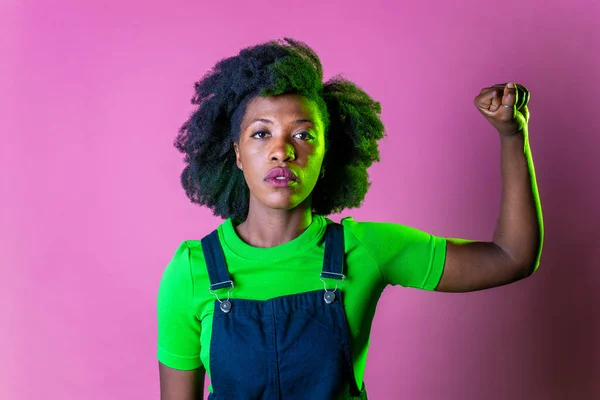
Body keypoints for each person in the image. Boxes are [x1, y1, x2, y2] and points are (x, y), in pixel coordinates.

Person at [156, 38, 543, 400]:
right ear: (237, 154)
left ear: (326, 154)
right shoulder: (191, 271)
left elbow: (512, 257)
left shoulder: (365, 249)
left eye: (304, 135)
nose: (282, 152)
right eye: (261, 134)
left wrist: (512, 137)